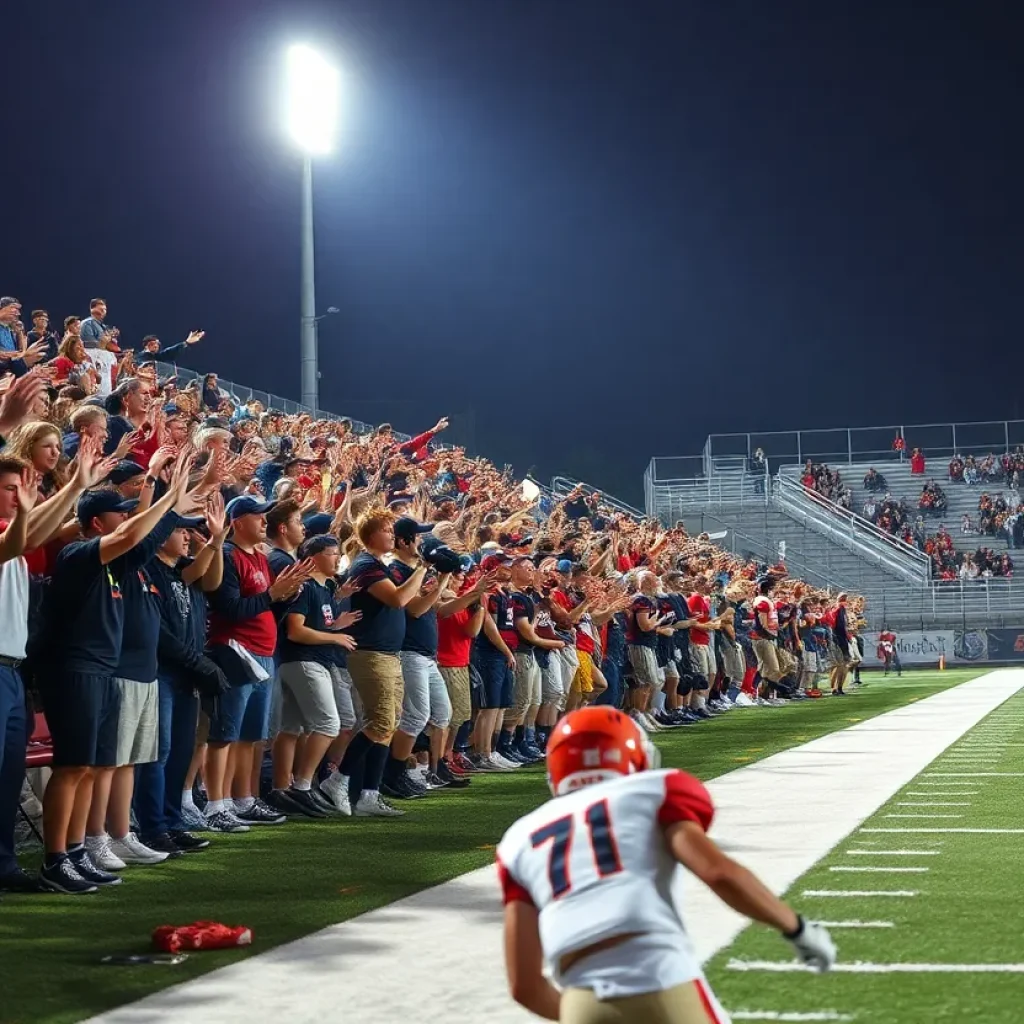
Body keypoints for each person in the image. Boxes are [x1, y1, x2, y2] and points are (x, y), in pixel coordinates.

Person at [496, 707, 836, 1022]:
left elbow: (524, 986)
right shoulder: (651, 791)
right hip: (657, 977)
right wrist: (796, 927)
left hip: (580, 1001)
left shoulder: (520, 838)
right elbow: (719, 873)